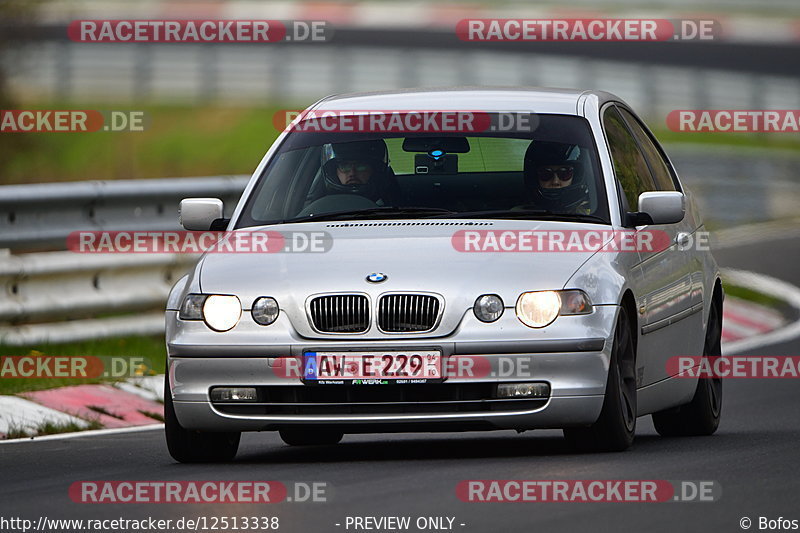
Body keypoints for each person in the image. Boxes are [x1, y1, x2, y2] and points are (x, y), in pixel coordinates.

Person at [317, 140, 399, 205]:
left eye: (361, 166)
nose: (352, 173)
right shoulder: (320, 208)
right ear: (334, 171)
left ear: (375, 171)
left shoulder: (392, 205)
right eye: (345, 166)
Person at [520, 141, 592, 214]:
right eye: (546, 174)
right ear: (534, 177)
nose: (555, 181)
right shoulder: (520, 215)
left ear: (576, 176)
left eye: (564, 173)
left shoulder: (590, 215)